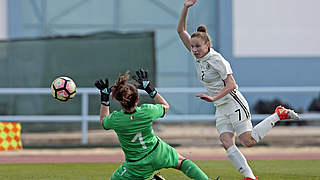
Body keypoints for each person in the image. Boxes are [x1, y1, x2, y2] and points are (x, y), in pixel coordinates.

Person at [177, 1, 300, 180]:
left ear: (207, 45)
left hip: (233, 101)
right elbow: (181, 30)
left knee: (247, 141)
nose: (194, 50)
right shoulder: (198, 56)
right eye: (193, 47)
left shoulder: (216, 59)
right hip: (220, 106)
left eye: (198, 46)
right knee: (226, 141)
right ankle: (250, 177)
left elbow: (232, 85)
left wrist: (213, 99)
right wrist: (186, 7)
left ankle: (278, 114)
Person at [95, 69, 219, 180]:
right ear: (137, 99)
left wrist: (105, 98)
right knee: (181, 162)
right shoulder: (147, 111)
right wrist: (149, 88)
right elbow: (166, 106)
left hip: (137, 164)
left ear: (120, 102)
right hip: (158, 151)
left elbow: (103, 121)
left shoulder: (117, 119)